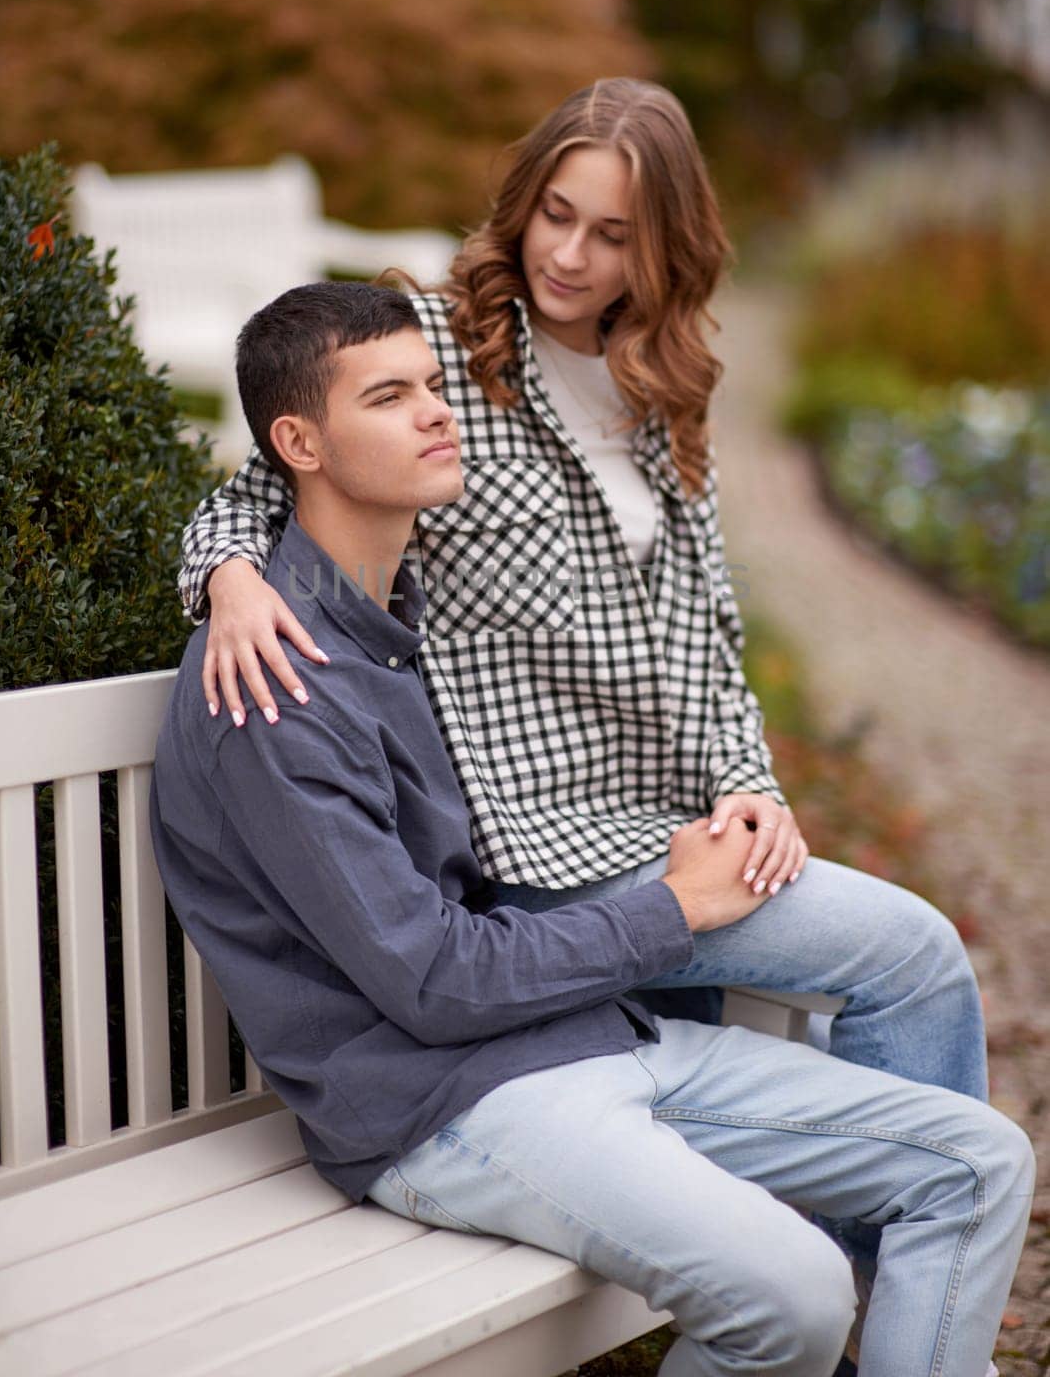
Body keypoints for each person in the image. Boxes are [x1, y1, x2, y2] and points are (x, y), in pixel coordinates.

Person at [177, 78, 992, 1299]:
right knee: (913, 955)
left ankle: (885, 1273)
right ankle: (889, 1282)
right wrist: (228, 580)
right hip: (540, 845)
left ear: (662, 247)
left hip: (667, 816)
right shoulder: (439, 354)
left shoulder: (668, 384)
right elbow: (263, 484)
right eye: (556, 214)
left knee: (849, 1024)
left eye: (612, 234)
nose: (570, 253)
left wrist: (749, 787)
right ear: (522, 206)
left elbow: (708, 627)